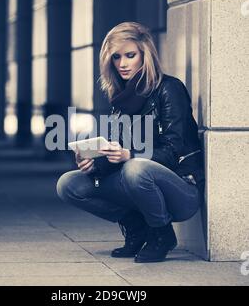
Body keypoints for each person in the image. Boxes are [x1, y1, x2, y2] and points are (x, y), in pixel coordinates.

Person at [56, 22, 205, 263]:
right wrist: (96, 164)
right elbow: (118, 155)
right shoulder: (121, 100)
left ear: (145, 55)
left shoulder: (169, 89)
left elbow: (173, 150)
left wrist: (130, 156)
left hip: (182, 188)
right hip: (140, 183)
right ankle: (138, 229)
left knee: (136, 167)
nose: (123, 64)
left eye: (130, 55)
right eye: (116, 57)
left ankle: (162, 234)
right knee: (69, 184)